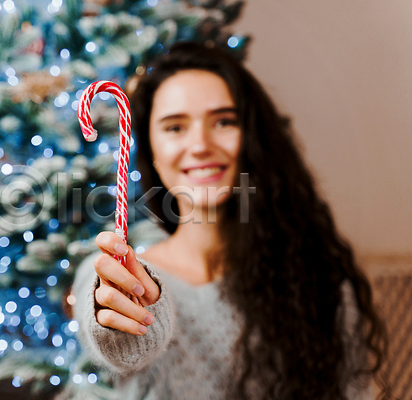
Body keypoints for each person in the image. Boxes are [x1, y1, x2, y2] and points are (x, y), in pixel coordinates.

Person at [69, 41, 389, 400]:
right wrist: (124, 330)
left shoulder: (318, 280)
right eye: (175, 127)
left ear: (251, 139)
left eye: (223, 121)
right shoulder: (119, 275)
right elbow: (111, 336)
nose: (201, 144)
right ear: (152, 152)